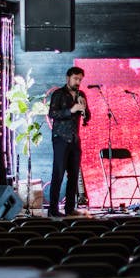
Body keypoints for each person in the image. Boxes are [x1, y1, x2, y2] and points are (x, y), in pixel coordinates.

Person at [47, 67, 91, 217]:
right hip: (60, 139)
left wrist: (84, 110)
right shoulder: (59, 94)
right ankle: (52, 210)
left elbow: (88, 117)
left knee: (73, 175)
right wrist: (71, 110)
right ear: (68, 78)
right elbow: (52, 113)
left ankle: (69, 208)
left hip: (74, 139)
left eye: (80, 80)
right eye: (75, 79)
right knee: (58, 174)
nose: (78, 82)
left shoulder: (81, 95)